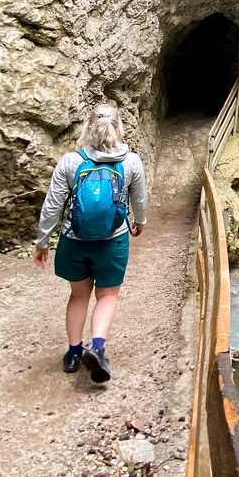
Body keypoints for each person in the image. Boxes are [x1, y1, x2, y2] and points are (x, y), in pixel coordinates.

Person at [33, 104, 148, 382]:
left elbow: (52, 206)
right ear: (118, 129)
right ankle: (97, 347)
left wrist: (42, 242)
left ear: (87, 128)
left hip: (75, 240)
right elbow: (140, 200)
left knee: (78, 295)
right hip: (113, 241)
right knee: (107, 295)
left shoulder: (70, 162)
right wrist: (140, 222)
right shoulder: (131, 162)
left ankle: (74, 354)